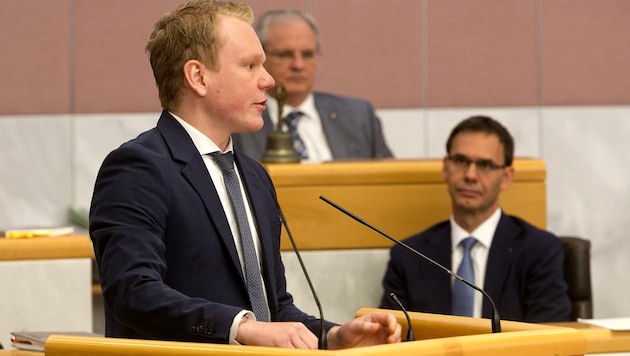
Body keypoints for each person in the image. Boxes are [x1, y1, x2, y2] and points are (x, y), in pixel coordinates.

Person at [89, 0, 401, 349]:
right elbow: (133, 292)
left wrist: (332, 335)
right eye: (250, 65)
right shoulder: (139, 168)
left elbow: (272, 308)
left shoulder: (253, 175)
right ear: (198, 77)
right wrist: (240, 327)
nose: (268, 80)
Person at [379, 116, 571, 323]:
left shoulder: (539, 250)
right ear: (446, 167)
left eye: (485, 165)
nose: (470, 175)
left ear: (506, 177)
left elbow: (551, 339)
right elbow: (391, 338)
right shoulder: (409, 255)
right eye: (461, 161)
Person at [232, 8, 393, 162]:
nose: (298, 65)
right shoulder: (239, 121)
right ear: (261, 57)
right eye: (285, 55)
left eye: (307, 54)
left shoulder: (358, 116)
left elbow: (391, 179)